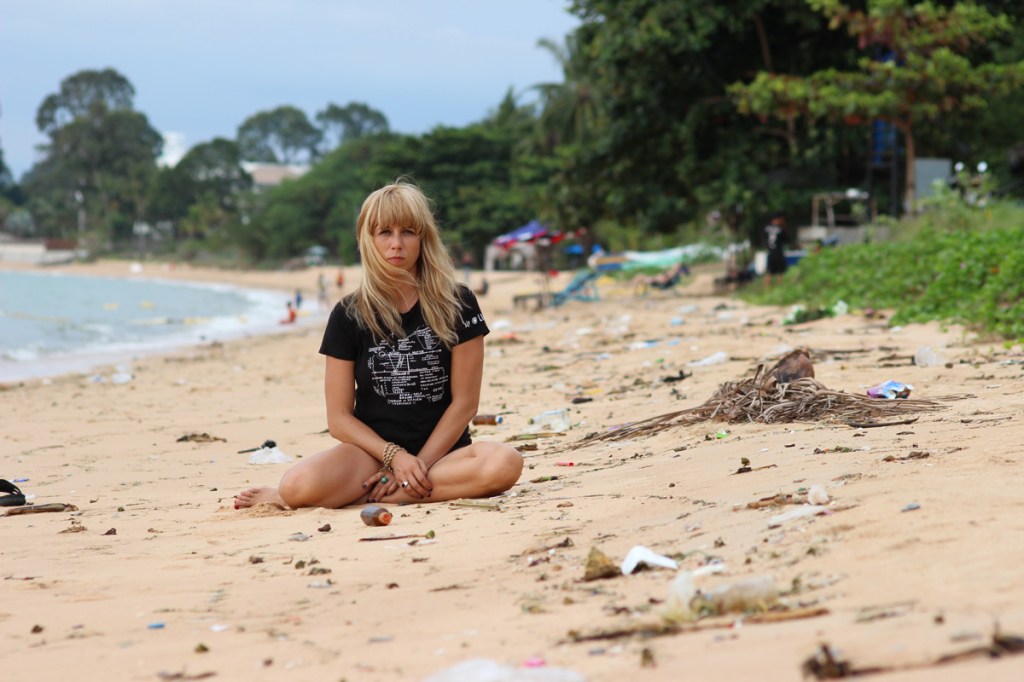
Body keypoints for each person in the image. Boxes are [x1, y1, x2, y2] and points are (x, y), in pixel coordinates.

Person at [236, 181, 523, 510]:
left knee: (504, 463)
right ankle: (382, 487)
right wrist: (394, 458)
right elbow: (339, 418)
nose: (396, 244)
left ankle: (385, 494)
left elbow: (465, 404)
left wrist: (416, 467)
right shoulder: (349, 314)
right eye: (385, 232)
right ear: (368, 239)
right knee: (296, 485)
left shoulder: (458, 302)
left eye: (408, 232)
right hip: (371, 455)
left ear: (424, 237)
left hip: (445, 454)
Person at [764, 214, 788, 286]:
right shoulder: (781, 229)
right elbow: (786, 239)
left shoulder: (767, 228)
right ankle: (779, 287)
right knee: (780, 272)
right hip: (777, 252)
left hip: (770, 252)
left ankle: (769, 289)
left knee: (770, 272)